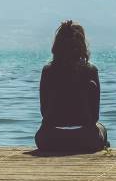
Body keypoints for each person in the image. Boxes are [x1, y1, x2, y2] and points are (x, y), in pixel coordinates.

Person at [35, 20, 109, 152]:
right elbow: (95, 117)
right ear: (82, 46)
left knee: (40, 134)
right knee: (102, 128)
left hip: (50, 139)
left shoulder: (48, 71)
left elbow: (44, 112)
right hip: (86, 139)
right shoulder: (91, 70)